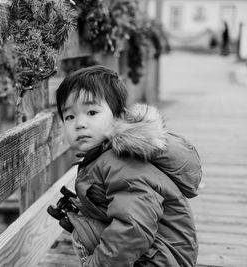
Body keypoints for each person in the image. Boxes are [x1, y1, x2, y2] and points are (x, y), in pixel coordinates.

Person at [55, 65, 202, 266]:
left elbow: (134, 226)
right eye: (69, 116)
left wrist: (97, 263)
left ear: (119, 117)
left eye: (91, 112)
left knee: (84, 235)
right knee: (83, 225)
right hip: (161, 252)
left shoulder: (121, 164)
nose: (79, 123)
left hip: (162, 260)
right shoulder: (105, 157)